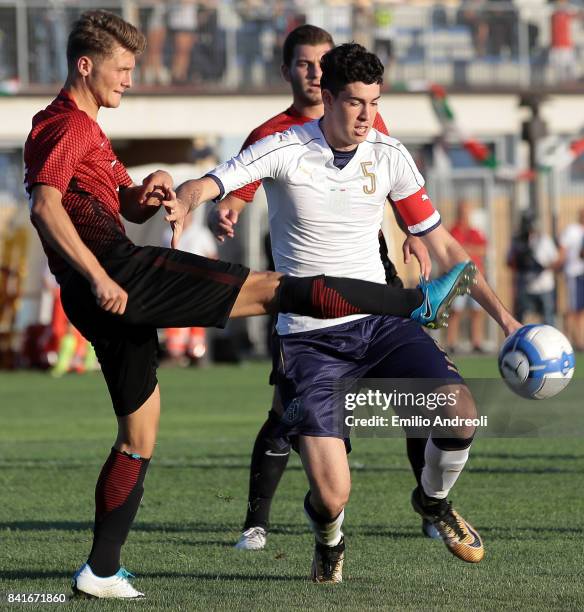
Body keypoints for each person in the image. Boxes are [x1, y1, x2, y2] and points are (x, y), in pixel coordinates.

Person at [24, 12, 472, 599]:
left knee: (140, 433)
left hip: (106, 286)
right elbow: (46, 207)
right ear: (86, 65)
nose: (130, 80)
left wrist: (145, 192)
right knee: (277, 287)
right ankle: (413, 302)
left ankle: (100, 571)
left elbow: (114, 206)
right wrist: (97, 274)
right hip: (118, 275)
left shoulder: (88, 129)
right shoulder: (66, 126)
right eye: (124, 68)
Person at [178, 43, 521, 583]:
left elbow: (448, 248)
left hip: (379, 325)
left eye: (375, 102)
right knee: (333, 493)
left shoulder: (388, 155)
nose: (367, 116)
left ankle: (432, 504)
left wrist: (507, 321)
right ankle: (330, 540)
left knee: (458, 411)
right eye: (356, 103)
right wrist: (185, 199)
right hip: (311, 339)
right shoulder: (285, 147)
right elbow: (215, 180)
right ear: (328, 98)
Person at [206, 23, 436, 553]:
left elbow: (397, 190)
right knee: (289, 413)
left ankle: (431, 503)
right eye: (305, 64)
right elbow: (236, 186)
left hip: (372, 285)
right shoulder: (275, 136)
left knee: (417, 398)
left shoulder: (365, 121)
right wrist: (226, 209)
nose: (313, 72)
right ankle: (258, 521)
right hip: (302, 293)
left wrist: (416, 237)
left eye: (321, 62)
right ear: (288, 71)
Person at [446, 200, 487, 353]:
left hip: (475, 276)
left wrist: (466, 249)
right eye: (462, 211)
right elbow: (452, 250)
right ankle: (452, 342)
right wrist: (469, 250)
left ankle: (476, 342)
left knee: (476, 311)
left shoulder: (474, 232)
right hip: (458, 277)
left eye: (466, 212)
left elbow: (482, 249)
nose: (464, 215)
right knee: (455, 311)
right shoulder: (453, 231)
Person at [507, 215, 560, 327]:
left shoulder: (544, 240)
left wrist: (542, 267)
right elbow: (509, 262)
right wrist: (521, 261)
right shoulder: (517, 241)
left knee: (548, 319)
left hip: (544, 287)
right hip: (525, 287)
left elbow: (556, 260)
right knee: (519, 320)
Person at [559, 208, 584, 350]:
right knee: (572, 309)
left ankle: (579, 340)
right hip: (574, 273)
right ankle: (567, 340)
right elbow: (563, 250)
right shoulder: (572, 230)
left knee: (580, 310)